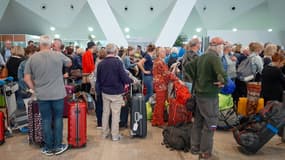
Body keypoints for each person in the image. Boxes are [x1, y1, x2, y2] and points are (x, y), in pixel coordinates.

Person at [24, 35, 72, 156]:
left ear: (39, 45)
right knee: (58, 119)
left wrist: (34, 89)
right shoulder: (58, 55)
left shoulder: (32, 58)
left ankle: (48, 147)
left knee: (45, 119)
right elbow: (70, 63)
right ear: (51, 45)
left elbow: (26, 78)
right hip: (58, 94)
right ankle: (58, 145)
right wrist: (59, 51)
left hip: (42, 95)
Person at [186, 37, 227, 159]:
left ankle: (195, 148)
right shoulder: (214, 57)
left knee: (198, 122)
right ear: (219, 46)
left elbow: (188, 67)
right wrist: (222, 81)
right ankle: (205, 151)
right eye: (223, 45)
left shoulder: (202, 56)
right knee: (211, 124)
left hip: (199, 95)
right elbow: (222, 74)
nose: (223, 48)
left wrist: (199, 80)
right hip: (209, 96)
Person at [96, 43, 133, 141]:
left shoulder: (101, 63)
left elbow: (98, 80)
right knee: (116, 114)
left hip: (105, 92)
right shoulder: (118, 63)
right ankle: (115, 136)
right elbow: (124, 77)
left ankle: (104, 134)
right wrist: (130, 80)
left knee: (105, 113)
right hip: (116, 92)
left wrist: (98, 91)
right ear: (115, 51)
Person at [152, 47, 178, 127]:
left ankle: (155, 120)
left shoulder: (159, 61)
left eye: (164, 51)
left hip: (160, 85)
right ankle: (159, 122)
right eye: (163, 51)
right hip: (161, 86)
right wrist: (177, 79)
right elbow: (166, 74)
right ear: (159, 53)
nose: (165, 53)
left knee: (158, 104)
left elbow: (165, 73)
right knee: (160, 104)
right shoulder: (160, 62)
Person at [94, 48, 107, 128]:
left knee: (98, 104)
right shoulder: (104, 63)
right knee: (104, 105)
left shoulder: (97, 61)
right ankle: (104, 122)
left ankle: (99, 123)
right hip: (104, 86)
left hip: (97, 85)